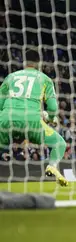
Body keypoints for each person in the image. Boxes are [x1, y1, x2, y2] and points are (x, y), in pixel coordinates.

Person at [0, 49, 68, 186]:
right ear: (38, 63)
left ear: (24, 62)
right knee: (59, 143)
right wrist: (50, 118)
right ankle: (52, 166)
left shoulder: (10, 77)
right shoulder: (44, 79)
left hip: (6, 119)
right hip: (32, 121)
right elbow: (53, 107)